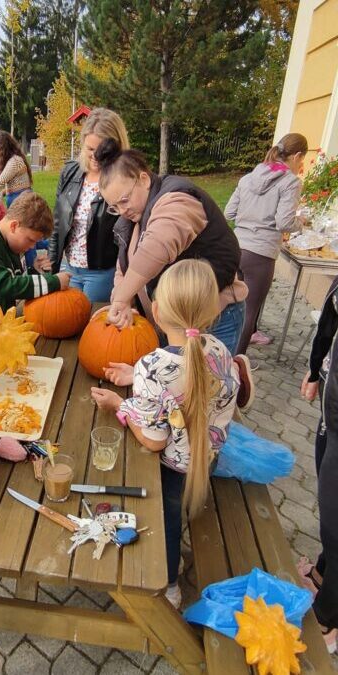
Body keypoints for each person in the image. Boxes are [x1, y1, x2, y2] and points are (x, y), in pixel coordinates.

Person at [90, 260, 239, 608]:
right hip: (208, 459)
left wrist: (120, 406)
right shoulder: (219, 349)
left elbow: (154, 441)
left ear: (155, 311)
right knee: (180, 511)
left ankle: (169, 584)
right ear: (213, 311)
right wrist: (138, 378)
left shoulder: (152, 367)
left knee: (167, 521)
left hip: (172, 470)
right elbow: (183, 386)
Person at [95, 139, 248, 357]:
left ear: (144, 179)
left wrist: (120, 299)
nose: (122, 211)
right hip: (174, 324)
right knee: (175, 386)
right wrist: (124, 300)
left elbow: (157, 247)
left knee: (203, 389)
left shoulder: (178, 199)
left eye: (124, 200)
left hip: (213, 321)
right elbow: (125, 268)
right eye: (114, 207)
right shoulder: (133, 218)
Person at [225, 133, 308, 354]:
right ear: (297, 155)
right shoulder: (290, 182)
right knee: (249, 312)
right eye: (302, 160)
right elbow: (284, 221)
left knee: (232, 305)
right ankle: (236, 365)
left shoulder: (248, 177)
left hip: (237, 247)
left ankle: (221, 353)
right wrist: (301, 222)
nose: (301, 165)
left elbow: (229, 211)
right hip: (260, 253)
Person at [0, 191, 71, 346]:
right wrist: (53, 282)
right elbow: (4, 285)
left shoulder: (11, 244)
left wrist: (35, 270)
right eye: (30, 240)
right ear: (14, 225)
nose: (32, 247)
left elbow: (16, 279)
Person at [48, 108, 130, 302]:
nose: (95, 156)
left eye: (101, 150)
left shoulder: (123, 179)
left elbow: (129, 234)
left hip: (102, 273)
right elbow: (57, 225)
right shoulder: (70, 172)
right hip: (69, 269)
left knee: (94, 326)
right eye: (90, 149)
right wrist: (52, 272)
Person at [298, 275, 338, 653]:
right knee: (330, 511)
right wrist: (316, 367)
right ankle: (322, 573)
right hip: (333, 405)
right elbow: (332, 311)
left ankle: (327, 621)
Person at [0, 130, 33, 206]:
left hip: (21, 201)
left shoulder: (14, 161)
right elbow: (16, 184)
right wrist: (3, 192)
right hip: (19, 199)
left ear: (3, 148)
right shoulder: (13, 159)